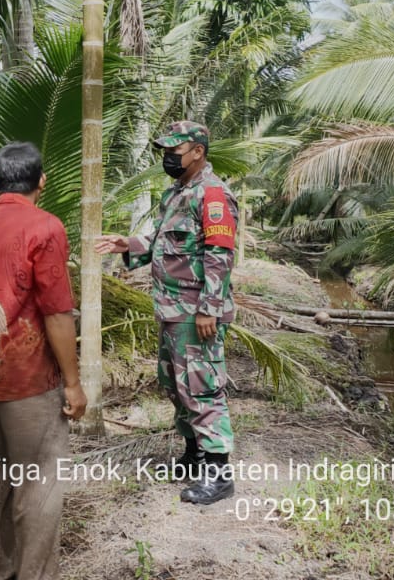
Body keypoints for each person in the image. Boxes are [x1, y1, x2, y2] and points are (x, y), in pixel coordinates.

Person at [0, 142, 86, 580]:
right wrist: (72, 381)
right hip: (30, 381)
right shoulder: (45, 227)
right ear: (42, 182)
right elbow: (57, 311)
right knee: (38, 479)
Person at [95, 120, 238, 506]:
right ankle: (193, 457)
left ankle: (219, 472)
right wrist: (126, 244)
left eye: (175, 151)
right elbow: (160, 240)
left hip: (196, 313)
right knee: (176, 386)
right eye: (165, 151)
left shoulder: (212, 195)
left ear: (197, 151)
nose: (167, 158)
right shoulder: (176, 193)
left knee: (202, 387)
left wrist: (208, 308)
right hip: (172, 309)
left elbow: (220, 255)